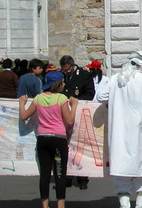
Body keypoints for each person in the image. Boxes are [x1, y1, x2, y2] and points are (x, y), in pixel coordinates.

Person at [96, 51, 142, 208]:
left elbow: (100, 96)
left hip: (120, 135)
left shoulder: (115, 80)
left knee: (122, 173)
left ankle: (125, 205)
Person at [19, 69, 78, 208]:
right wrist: (74, 106)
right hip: (58, 138)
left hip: (43, 137)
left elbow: (24, 116)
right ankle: (60, 205)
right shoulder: (61, 99)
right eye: (62, 83)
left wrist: (22, 103)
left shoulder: (38, 98)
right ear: (58, 84)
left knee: (44, 174)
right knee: (59, 173)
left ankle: (45, 205)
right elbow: (69, 121)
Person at [60, 55, 95, 189]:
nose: (65, 73)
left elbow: (89, 94)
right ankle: (67, 176)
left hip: (79, 114)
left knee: (80, 147)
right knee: (67, 146)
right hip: (65, 114)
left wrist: (75, 101)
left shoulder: (84, 76)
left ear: (73, 65)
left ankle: (82, 178)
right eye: (64, 71)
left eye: (67, 70)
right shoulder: (61, 76)